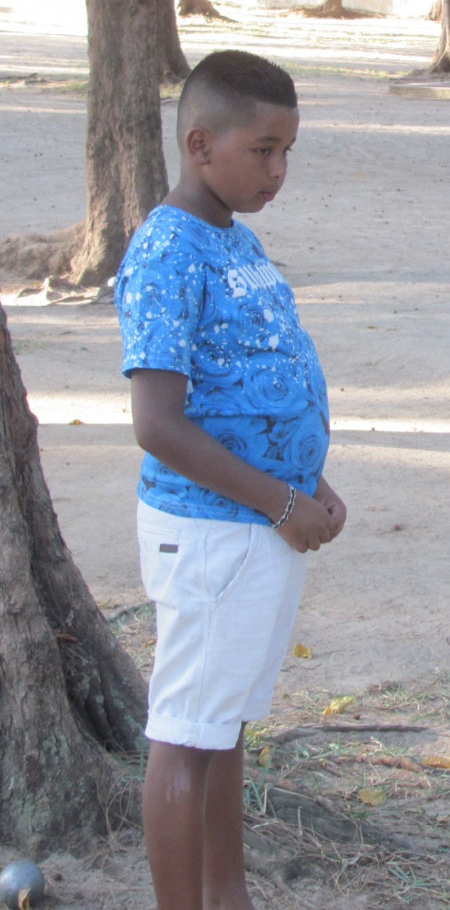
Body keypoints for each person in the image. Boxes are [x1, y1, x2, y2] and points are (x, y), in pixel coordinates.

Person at [115, 50, 347, 910]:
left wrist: (308, 475)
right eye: (264, 150)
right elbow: (160, 424)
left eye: (289, 150)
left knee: (222, 728)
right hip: (214, 531)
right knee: (184, 736)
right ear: (200, 143)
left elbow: (254, 377)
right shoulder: (168, 251)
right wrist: (282, 500)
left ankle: (228, 896)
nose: (279, 170)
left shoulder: (233, 237)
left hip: (261, 522)